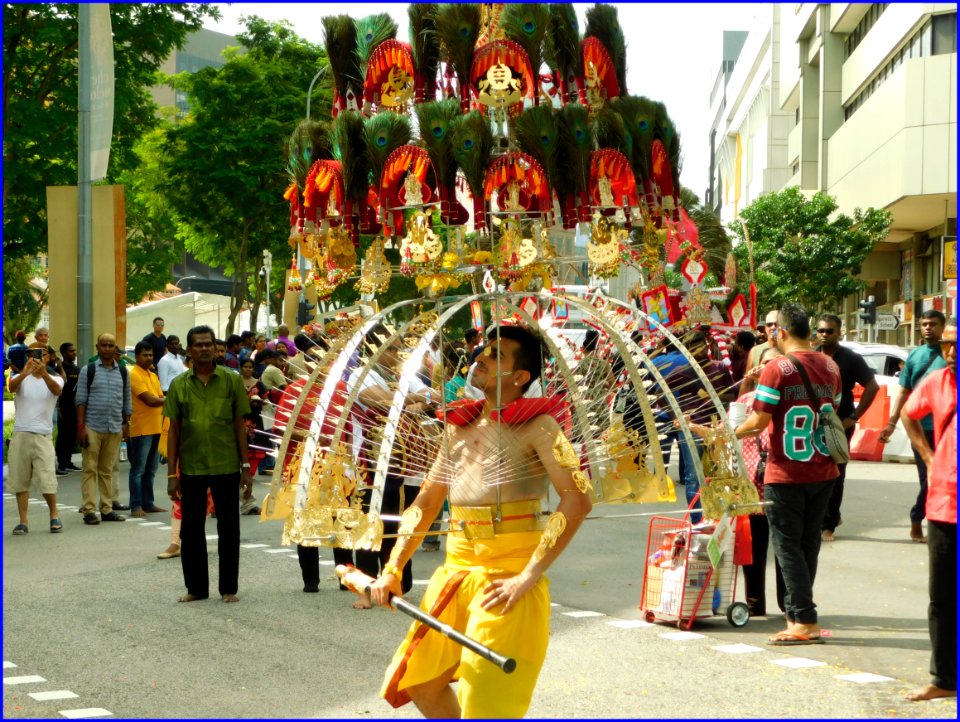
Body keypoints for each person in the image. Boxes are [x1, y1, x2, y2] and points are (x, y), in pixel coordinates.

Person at [368, 324, 593, 718]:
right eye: (484, 350)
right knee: (419, 679)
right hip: (455, 573)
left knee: (485, 703)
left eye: (496, 355)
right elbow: (427, 499)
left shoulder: (541, 427)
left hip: (507, 580)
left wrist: (527, 576)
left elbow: (578, 499)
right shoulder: (458, 428)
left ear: (521, 377)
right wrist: (393, 568)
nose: (481, 357)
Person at [733, 303, 840, 645]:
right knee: (808, 544)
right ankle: (797, 613)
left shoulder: (777, 368)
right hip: (823, 468)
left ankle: (805, 619)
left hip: (786, 471)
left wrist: (731, 431)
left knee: (787, 546)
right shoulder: (830, 365)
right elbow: (833, 406)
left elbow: (759, 422)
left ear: (780, 332)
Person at [164, 325, 253, 603]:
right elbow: (174, 431)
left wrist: (246, 467)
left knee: (229, 528)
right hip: (191, 467)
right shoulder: (179, 384)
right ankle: (196, 589)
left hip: (226, 465)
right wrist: (171, 474)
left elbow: (240, 426)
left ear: (215, 348)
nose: (204, 348)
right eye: (198, 345)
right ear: (189, 350)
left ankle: (229, 588)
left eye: (208, 344)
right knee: (191, 530)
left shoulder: (231, 380)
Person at [901, 322, 956, 703]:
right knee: (943, 596)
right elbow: (908, 412)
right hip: (944, 504)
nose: (950, 352)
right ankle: (943, 678)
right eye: (947, 345)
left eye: (956, 345)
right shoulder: (938, 380)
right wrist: (929, 457)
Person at [880, 309, 946, 543]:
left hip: (949, 428)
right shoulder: (915, 356)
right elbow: (903, 393)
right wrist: (890, 423)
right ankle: (918, 519)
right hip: (922, 427)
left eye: (933, 324)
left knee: (944, 478)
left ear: (943, 327)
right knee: (929, 478)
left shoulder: (951, 354)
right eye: (924, 324)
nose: (928, 327)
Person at [815, 313, 880, 542]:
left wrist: (853, 417)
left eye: (829, 331)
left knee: (835, 473)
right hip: (813, 425)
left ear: (839, 332)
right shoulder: (811, 355)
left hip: (840, 424)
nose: (824, 335)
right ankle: (824, 516)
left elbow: (872, 387)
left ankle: (829, 524)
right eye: (820, 330)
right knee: (815, 473)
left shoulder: (850, 358)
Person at [7, 343, 65, 535]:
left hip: (42, 435)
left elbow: (57, 391)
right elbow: (11, 388)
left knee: (47, 477)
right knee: (20, 479)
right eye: (31, 354)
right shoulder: (20, 377)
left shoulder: (55, 378)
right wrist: (25, 372)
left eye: (41, 354)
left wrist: (44, 373)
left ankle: (54, 515)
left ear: (48, 357)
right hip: (20, 433)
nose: (36, 357)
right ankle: (23, 521)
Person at [75, 333, 132, 525]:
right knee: (90, 469)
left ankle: (107, 509)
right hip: (92, 426)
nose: (108, 348)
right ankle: (89, 510)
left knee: (107, 470)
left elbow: (127, 400)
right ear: (97, 347)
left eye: (111, 345)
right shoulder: (88, 370)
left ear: (115, 348)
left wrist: (126, 423)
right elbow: (81, 400)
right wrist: (81, 427)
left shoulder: (123, 372)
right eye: (104, 345)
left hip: (115, 427)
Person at [128, 341, 167, 518]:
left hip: (156, 426)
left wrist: (163, 399)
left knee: (151, 470)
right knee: (138, 469)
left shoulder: (152, 375)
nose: (149, 357)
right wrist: (168, 398)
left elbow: (159, 398)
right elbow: (150, 400)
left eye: (151, 355)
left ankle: (148, 503)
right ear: (136, 356)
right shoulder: (134, 374)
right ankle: (135, 505)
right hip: (141, 428)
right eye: (145, 355)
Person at [55, 342, 82, 472]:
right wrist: (58, 408)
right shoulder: (59, 369)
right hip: (63, 408)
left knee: (72, 436)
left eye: (75, 350)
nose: (74, 353)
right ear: (64, 353)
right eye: (71, 351)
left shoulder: (78, 369)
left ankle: (68, 461)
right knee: (63, 436)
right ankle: (61, 463)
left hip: (75, 407)